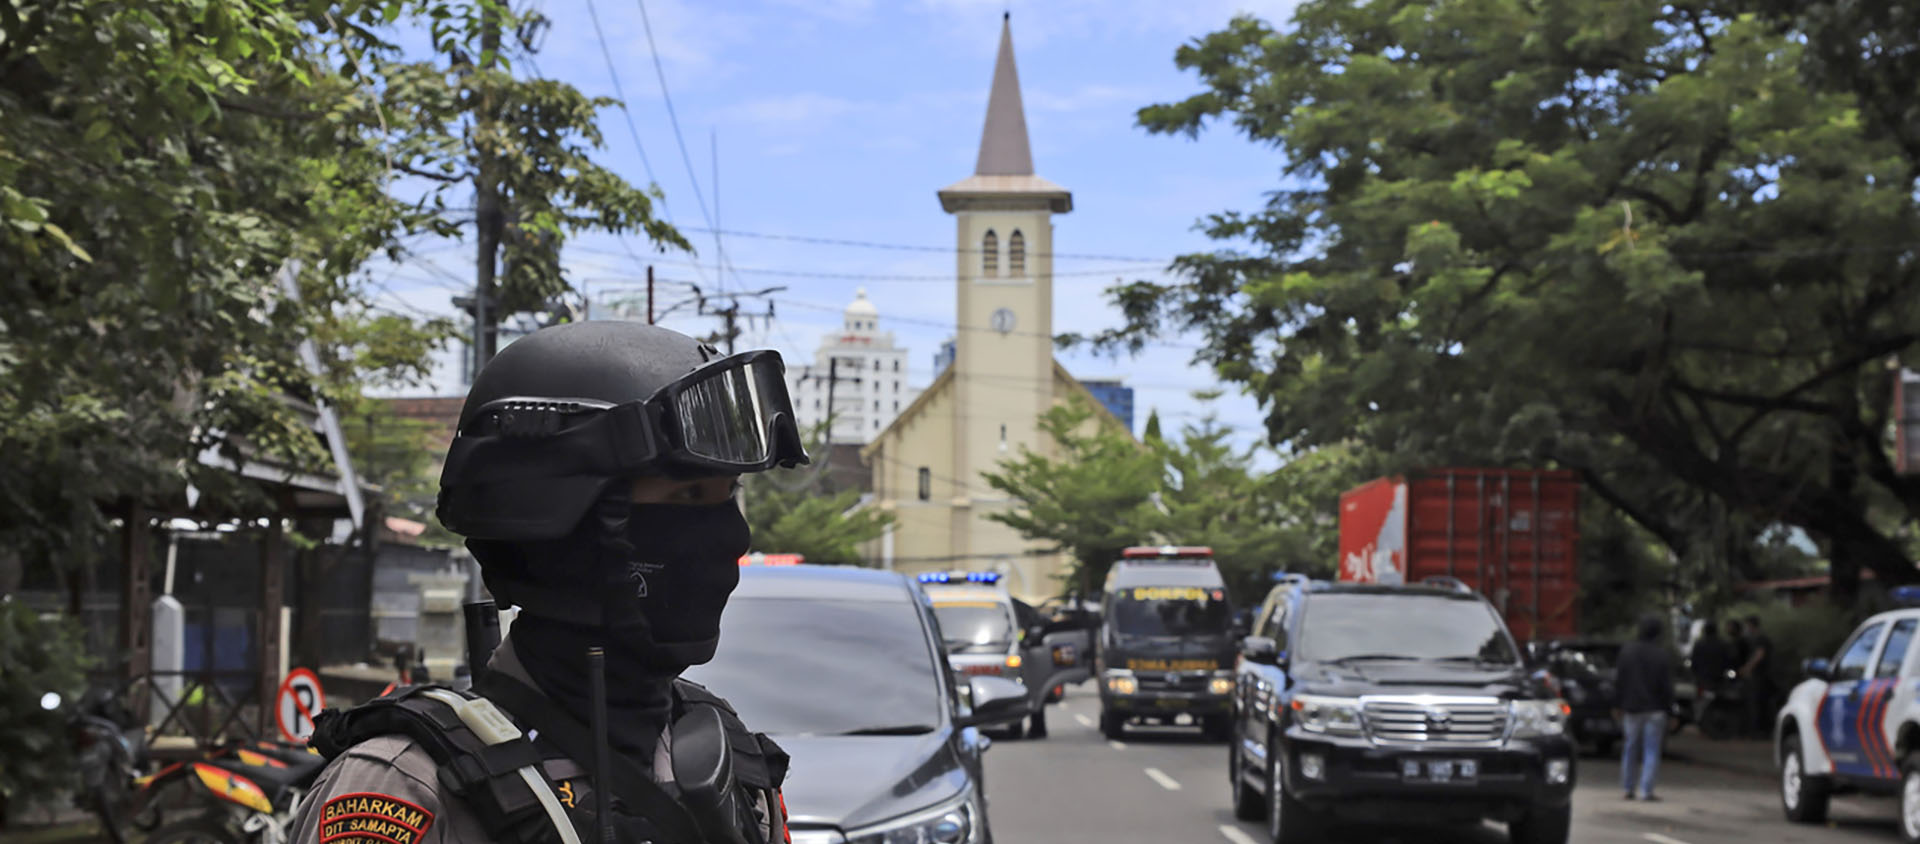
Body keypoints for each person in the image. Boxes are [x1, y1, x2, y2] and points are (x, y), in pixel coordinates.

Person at [292, 322, 809, 844]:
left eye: (729, 494)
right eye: (689, 495)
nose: (731, 534)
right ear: (563, 528)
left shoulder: (728, 758)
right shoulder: (407, 787)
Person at [1614, 614, 1676, 801]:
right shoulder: (1661, 655)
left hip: (1632, 708)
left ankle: (1627, 788)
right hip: (1656, 709)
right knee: (1652, 750)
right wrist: (1671, 711)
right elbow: (1666, 686)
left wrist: (1617, 704)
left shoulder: (1627, 652)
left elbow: (1620, 681)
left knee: (1630, 747)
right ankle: (1646, 790)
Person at [1740, 615, 1775, 737]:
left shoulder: (1760, 639)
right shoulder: (1755, 639)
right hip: (1759, 675)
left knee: (1757, 703)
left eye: (1747, 625)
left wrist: (1747, 668)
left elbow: (1759, 655)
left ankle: (1758, 731)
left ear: (1751, 625)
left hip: (1761, 676)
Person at [1688, 619, 1732, 692]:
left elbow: (1694, 662)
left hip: (1703, 678)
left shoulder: (1699, 644)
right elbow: (1728, 661)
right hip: (1719, 678)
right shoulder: (1723, 644)